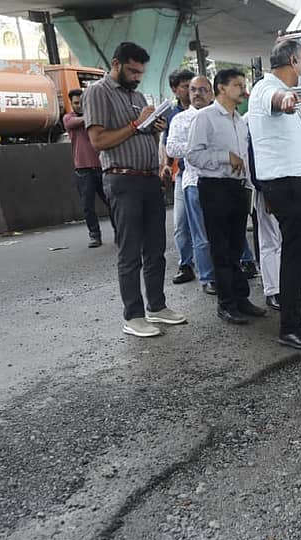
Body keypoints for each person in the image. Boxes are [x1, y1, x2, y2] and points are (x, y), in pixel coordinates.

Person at [84, 41, 186, 338]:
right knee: (130, 252)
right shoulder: (98, 92)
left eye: (141, 72)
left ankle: (157, 306)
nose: (137, 77)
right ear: (116, 64)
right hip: (122, 179)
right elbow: (98, 141)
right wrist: (135, 124)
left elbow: (140, 131)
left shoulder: (137, 96)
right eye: (132, 71)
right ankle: (133, 315)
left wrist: (153, 127)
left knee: (155, 249)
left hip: (148, 177)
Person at [248, 39, 301, 350]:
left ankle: (295, 318)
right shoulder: (267, 88)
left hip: (294, 183)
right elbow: (277, 100)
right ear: (293, 60)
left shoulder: (271, 86)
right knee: (294, 255)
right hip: (288, 184)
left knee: (297, 253)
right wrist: (286, 100)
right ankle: (289, 328)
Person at [186, 68, 265, 325]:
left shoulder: (239, 120)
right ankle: (226, 303)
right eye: (238, 85)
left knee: (236, 246)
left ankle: (241, 298)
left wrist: (250, 186)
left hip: (238, 188)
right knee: (220, 248)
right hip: (214, 187)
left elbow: (246, 159)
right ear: (221, 88)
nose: (243, 90)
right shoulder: (205, 117)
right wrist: (224, 157)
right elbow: (193, 155)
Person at [165, 74, 217, 295]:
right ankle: (208, 277)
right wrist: (197, 147)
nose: (197, 94)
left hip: (221, 180)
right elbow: (171, 148)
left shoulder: (220, 115)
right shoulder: (180, 119)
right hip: (194, 182)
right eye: (193, 90)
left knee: (223, 233)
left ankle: (229, 272)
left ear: (211, 93)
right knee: (200, 235)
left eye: (202, 89)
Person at [159, 69, 197, 285]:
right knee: (180, 223)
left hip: (208, 175)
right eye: (186, 86)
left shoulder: (209, 109)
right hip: (183, 174)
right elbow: (168, 143)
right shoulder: (172, 114)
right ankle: (186, 265)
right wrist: (166, 165)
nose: (192, 90)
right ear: (175, 90)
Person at [63, 88, 112, 248]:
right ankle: (94, 235)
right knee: (88, 206)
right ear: (71, 104)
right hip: (83, 169)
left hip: (102, 166)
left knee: (112, 202)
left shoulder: (96, 118)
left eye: (82, 102)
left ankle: (120, 232)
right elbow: (72, 123)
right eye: (76, 103)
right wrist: (92, 116)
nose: (79, 105)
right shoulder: (69, 118)